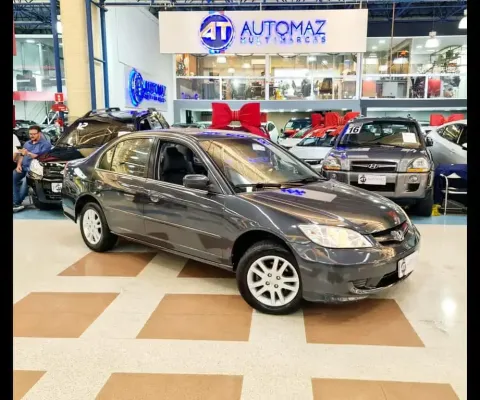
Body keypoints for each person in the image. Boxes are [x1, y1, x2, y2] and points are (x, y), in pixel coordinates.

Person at [13, 126, 51, 212]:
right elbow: (22, 155)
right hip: (23, 167)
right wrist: (18, 165)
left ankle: (16, 203)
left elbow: (40, 157)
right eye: (30, 134)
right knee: (13, 177)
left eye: (34, 134)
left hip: (34, 170)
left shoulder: (46, 144)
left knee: (25, 183)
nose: (32, 136)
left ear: (39, 133)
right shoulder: (27, 143)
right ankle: (16, 202)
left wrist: (28, 153)